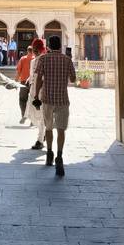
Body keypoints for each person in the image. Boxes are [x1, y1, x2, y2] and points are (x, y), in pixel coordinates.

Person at [34, 35, 76, 177]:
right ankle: (59, 156)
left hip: (47, 99)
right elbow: (73, 79)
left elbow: (39, 78)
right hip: (62, 100)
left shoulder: (43, 59)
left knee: (48, 128)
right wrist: (69, 61)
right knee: (61, 130)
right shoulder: (67, 59)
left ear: (49, 46)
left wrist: (35, 95)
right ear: (60, 45)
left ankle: (50, 153)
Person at [27, 37, 46, 149]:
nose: (35, 51)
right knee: (33, 115)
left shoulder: (45, 60)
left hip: (42, 91)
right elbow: (32, 75)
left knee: (42, 115)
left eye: (37, 49)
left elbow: (43, 77)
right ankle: (42, 134)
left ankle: (40, 139)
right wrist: (28, 81)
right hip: (33, 91)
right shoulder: (33, 61)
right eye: (34, 49)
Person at [15, 45, 34, 123]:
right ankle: (33, 120)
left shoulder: (23, 59)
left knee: (22, 100)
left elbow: (19, 70)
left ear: (27, 51)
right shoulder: (36, 59)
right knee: (33, 100)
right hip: (33, 82)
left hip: (23, 82)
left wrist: (16, 80)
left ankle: (24, 116)